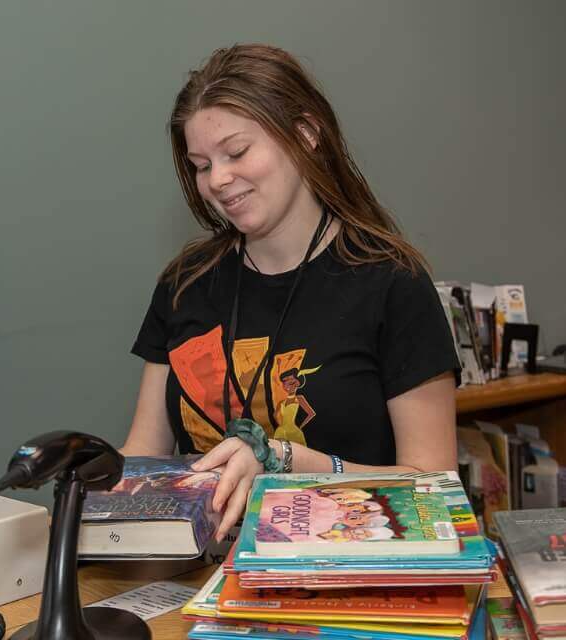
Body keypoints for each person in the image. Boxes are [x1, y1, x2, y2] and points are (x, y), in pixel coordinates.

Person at [121, 43, 461, 542]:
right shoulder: (184, 284)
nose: (218, 180)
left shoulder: (392, 284)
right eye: (200, 164)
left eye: (236, 153)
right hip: (200, 578)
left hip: (345, 576)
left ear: (304, 134)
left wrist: (289, 462)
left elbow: (436, 489)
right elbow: (142, 457)